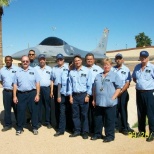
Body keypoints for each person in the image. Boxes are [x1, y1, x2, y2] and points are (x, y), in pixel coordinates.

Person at [92, 58, 122, 142]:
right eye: (104, 65)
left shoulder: (115, 75)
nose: (106, 66)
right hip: (99, 101)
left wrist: (113, 98)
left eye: (108, 64)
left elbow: (119, 88)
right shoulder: (98, 75)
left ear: (110, 65)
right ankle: (97, 134)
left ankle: (109, 136)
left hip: (110, 102)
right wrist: (94, 99)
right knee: (98, 119)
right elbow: (94, 88)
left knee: (109, 120)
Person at [13, 55, 40, 135]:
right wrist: (14, 96)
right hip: (21, 94)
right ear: (21, 62)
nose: (25, 62)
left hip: (32, 93)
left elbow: (37, 83)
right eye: (23, 61)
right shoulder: (17, 71)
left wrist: (37, 94)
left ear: (29, 62)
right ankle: (19, 128)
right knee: (20, 111)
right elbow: (15, 85)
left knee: (34, 111)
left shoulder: (34, 70)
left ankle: (35, 127)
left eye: (27, 61)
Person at [132, 50, 154, 142]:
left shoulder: (152, 67)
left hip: (149, 93)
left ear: (148, 58)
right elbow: (134, 78)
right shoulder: (137, 67)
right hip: (139, 92)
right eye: (142, 57)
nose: (143, 58)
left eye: (145, 57)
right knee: (140, 113)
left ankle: (152, 133)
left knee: (150, 113)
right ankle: (141, 132)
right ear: (140, 57)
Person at [69, 54, 92, 139]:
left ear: (81, 61)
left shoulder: (86, 71)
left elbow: (90, 84)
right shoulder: (72, 72)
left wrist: (88, 95)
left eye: (78, 60)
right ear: (74, 62)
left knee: (84, 115)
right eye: (75, 61)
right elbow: (70, 85)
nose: (77, 62)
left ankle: (85, 132)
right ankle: (77, 130)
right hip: (75, 96)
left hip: (83, 95)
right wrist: (70, 96)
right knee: (75, 115)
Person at [112, 53, 133, 135]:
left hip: (123, 92)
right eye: (117, 58)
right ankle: (116, 127)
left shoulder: (126, 69)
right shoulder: (112, 69)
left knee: (123, 110)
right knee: (115, 110)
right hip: (114, 93)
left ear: (122, 60)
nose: (118, 60)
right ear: (115, 60)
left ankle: (125, 127)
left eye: (120, 58)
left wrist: (121, 91)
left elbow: (127, 83)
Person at [54, 61, 74, 137]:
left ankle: (71, 128)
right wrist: (58, 96)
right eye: (71, 64)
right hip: (63, 95)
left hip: (72, 96)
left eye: (73, 64)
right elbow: (59, 84)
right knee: (62, 113)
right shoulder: (64, 72)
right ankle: (61, 130)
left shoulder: (75, 73)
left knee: (72, 112)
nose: (72, 66)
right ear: (68, 66)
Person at [85, 53, 103, 134]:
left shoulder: (98, 69)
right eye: (88, 59)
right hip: (85, 94)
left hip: (96, 94)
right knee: (87, 113)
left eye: (91, 59)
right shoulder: (83, 69)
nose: (89, 61)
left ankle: (96, 130)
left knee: (96, 113)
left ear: (94, 60)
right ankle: (88, 129)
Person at [0, 56, 18, 131]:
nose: (8, 61)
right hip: (6, 92)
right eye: (6, 60)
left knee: (17, 108)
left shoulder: (17, 69)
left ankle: (19, 124)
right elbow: (1, 80)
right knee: (7, 109)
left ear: (12, 60)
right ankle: (8, 125)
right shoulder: (2, 70)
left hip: (16, 92)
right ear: (5, 61)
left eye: (9, 60)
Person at [34, 54, 53, 129]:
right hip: (38, 89)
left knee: (47, 106)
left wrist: (51, 91)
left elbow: (52, 80)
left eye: (43, 59)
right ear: (38, 60)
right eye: (40, 59)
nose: (42, 60)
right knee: (38, 105)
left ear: (45, 60)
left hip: (47, 88)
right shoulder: (35, 69)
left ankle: (48, 122)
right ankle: (39, 122)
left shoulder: (49, 69)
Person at [51, 53, 68, 129]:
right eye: (58, 59)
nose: (59, 61)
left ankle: (63, 127)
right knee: (57, 108)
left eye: (61, 59)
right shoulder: (54, 68)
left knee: (63, 109)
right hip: (56, 88)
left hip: (64, 88)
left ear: (63, 60)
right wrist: (51, 91)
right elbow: (52, 80)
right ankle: (58, 125)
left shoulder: (67, 67)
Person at [26, 50, 39, 124]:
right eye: (30, 54)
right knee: (27, 106)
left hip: (35, 87)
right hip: (28, 87)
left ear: (35, 55)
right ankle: (28, 118)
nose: (31, 55)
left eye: (32, 54)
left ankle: (36, 120)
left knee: (35, 105)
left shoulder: (38, 63)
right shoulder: (26, 63)